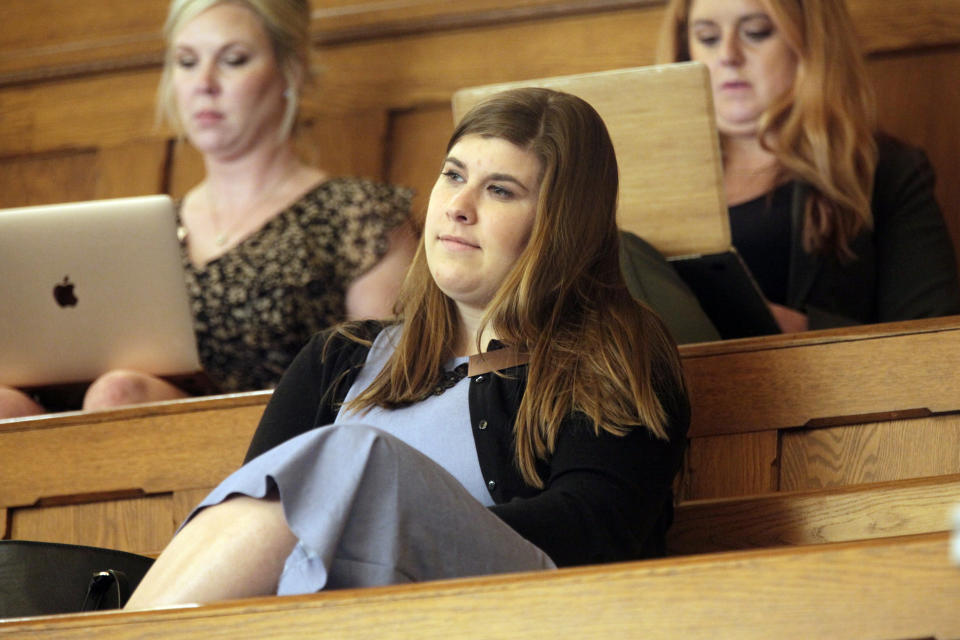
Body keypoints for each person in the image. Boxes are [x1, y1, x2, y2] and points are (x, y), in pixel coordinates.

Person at [123, 87, 690, 609]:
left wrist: (385, 517)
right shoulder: (337, 357)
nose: (458, 205)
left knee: (356, 458)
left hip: (525, 607)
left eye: (499, 190)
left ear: (560, 224)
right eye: (452, 175)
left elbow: (597, 528)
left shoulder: (614, 351)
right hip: (329, 617)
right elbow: (252, 525)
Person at [0, 0, 415, 419]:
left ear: (291, 70)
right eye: (186, 62)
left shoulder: (359, 215)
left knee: (119, 393)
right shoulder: (142, 231)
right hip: (117, 431)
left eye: (233, 60)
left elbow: (385, 386)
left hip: (282, 445)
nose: (204, 82)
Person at [658, 0, 960, 333]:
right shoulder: (643, 175)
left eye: (756, 32)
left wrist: (796, 331)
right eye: (708, 37)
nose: (728, 54)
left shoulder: (884, 169)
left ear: (811, 42)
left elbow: (934, 335)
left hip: (824, 381)